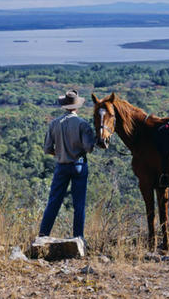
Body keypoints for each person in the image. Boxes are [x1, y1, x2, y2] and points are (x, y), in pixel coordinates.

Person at [38, 89, 96, 240]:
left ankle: (43, 236)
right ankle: (78, 238)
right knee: (79, 205)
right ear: (77, 106)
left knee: (54, 202)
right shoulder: (83, 124)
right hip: (78, 165)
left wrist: (60, 154)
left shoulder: (54, 124)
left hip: (61, 165)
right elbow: (89, 148)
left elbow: (47, 148)